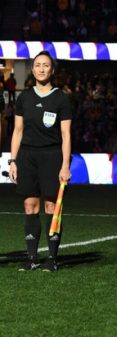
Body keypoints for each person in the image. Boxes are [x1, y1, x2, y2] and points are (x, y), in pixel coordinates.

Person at [9, 51, 72, 272]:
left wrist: (65, 165)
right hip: (27, 157)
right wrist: (13, 160)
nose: (42, 69)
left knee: (52, 206)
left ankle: (52, 259)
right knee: (30, 205)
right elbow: (17, 131)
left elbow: (66, 135)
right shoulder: (24, 98)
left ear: (52, 70)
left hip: (52, 156)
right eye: (38, 65)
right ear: (32, 69)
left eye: (46, 65)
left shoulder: (61, 99)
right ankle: (32, 258)